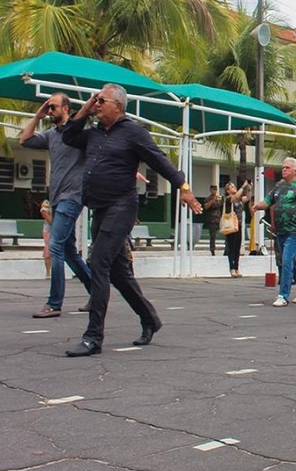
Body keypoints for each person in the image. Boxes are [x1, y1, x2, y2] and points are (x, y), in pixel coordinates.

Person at [61, 84, 202, 356]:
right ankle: (149, 318)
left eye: (102, 100)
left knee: (98, 262)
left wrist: (184, 190)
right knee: (117, 273)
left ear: (119, 105)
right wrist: (85, 109)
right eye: (96, 100)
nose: (97, 104)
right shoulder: (93, 134)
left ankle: (93, 337)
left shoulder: (134, 132)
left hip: (122, 206)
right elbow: (68, 136)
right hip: (100, 208)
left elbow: (161, 162)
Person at [19, 92, 92, 318]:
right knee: (69, 251)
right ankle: (98, 292)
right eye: (48, 107)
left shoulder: (79, 133)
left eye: (53, 107)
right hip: (57, 198)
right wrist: (38, 116)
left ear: (66, 109)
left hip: (73, 197)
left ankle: (54, 303)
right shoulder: (51, 135)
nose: (50, 111)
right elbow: (24, 140)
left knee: (56, 246)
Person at [252, 157, 296, 306]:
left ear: (295, 171)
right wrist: (257, 206)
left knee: (287, 261)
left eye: (287, 167)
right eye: (283, 167)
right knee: (290, 264)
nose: (284, 169)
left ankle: (283, 295)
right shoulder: (279, 186)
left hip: (295, 231)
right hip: (281, 232)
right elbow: (268, 202)